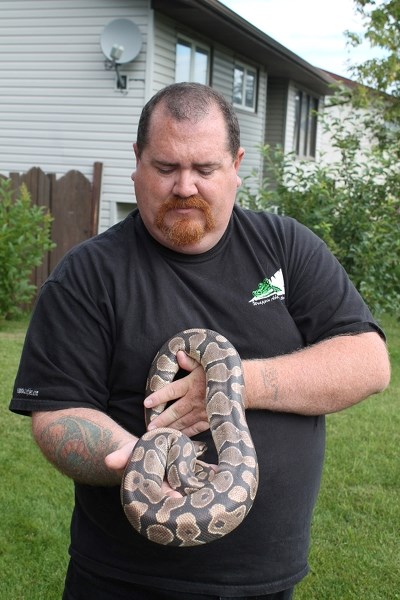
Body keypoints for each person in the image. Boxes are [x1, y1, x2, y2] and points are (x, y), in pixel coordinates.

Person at [10, 82, 390, 600]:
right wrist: (145, 458)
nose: (184, 186)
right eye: (165, 167)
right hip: (124, 583)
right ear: (137, 164)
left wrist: (232, 385)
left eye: (205, 169)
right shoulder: (88, 275)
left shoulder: (287, 248)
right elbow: (55, 416)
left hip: (268, 582)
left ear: (236, 165)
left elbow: (368, 361)